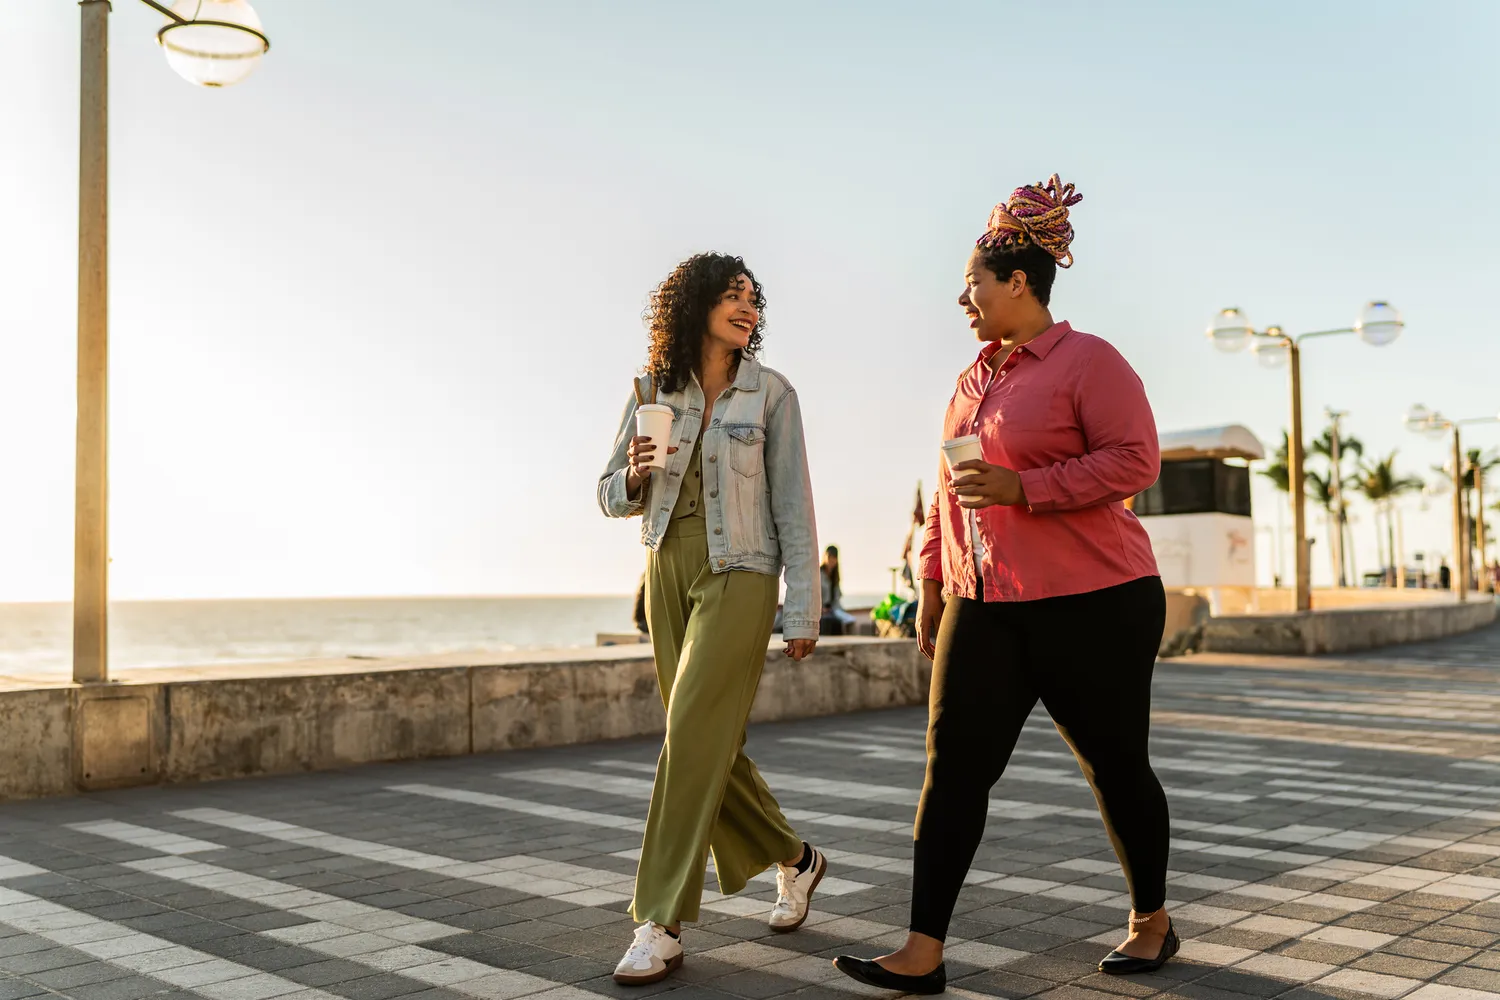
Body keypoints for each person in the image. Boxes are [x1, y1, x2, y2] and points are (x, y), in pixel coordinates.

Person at [834, 176, 1173, 994]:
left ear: (1018, 281)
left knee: (1114, 764)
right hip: (984, 608)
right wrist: (930, 582)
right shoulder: (971, 382)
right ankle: (922, 949)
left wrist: (1029, 488)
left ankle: (1151, 922)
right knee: (951, 769)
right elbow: (946, 491)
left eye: (973, 283)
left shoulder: (1092, 361)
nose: (963, 298)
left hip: (1097, 602)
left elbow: (1136, 461)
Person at [598, 253, 828, 986]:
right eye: (733, 297)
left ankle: (658, 920)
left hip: (743, 573)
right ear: (694, 304)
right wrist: (633, 473)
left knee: (692, 733)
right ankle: (797, 859)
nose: (748, 310)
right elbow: (607, 493)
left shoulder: (772, 394)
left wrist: (803, 609)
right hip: (667, 567)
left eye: (754, 300)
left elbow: (793, 505)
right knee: (702, 742)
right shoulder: (650, 390)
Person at [820, 545, 855, 635]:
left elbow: (837, 599)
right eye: (829, 557)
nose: (831, 560)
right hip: (820, 610)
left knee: (850, 621)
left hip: (833, 609)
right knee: (829, 621)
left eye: (834, 558)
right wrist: (821, 609)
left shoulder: (835, 577)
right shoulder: (818, 574)